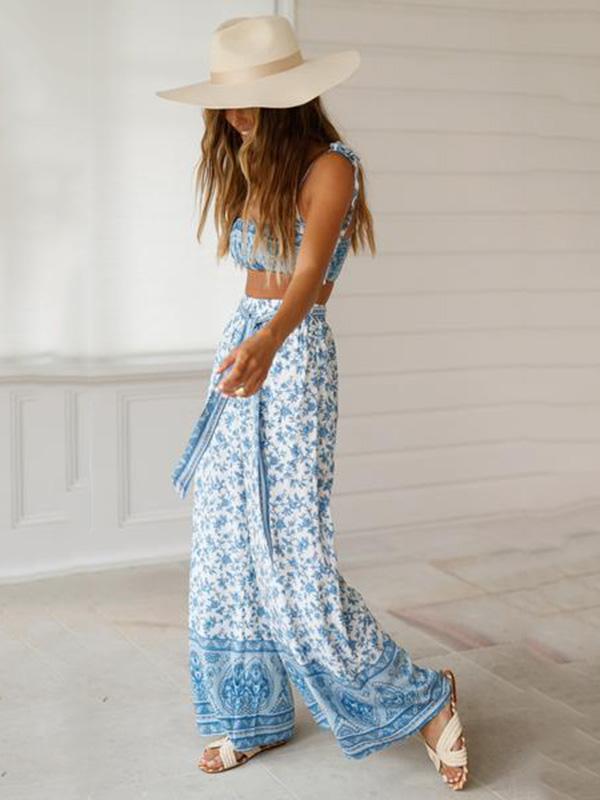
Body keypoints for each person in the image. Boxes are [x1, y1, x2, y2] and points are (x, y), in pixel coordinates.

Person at [156, 13, 468, 790]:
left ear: (291, 97)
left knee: (292, 551)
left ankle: (424, 701)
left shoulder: (331, 166)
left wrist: (269, 343)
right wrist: (248, 344)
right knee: (226, 541)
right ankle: (251, 717)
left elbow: (306, 279)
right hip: (244, 347)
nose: (235, 114)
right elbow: (255, 283)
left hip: (292, 355)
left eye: (250, 100)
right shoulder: (249, 162)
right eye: (227, 101)